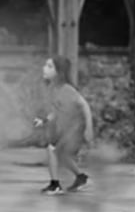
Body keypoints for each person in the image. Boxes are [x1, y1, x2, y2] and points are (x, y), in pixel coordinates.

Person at [33, 56, 94, 195]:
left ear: (59, 72)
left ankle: (55, 185)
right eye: (45, 65)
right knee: (62, 156)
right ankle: (81, 178)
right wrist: (43, 121)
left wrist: (89, 128)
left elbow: (84, 105)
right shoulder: (53, 89)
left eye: (49, 66)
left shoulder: (67, 89)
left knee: (52, 150)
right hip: (65, 130)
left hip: (75, 129)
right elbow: (56, 111)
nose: (44, 68)